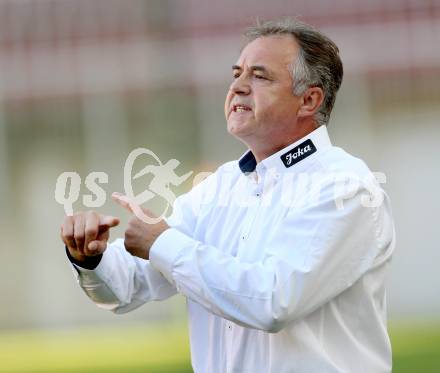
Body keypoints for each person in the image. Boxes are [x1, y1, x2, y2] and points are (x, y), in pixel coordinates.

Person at [61, 18, 395, 373]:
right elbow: (128, 287)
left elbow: (272, 301)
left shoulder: (346, 187)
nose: (237, 86)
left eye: (259, 76)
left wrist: (162, 242)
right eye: (237, 73)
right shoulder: (219, 187)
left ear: (309, 100)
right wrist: (90, 258)